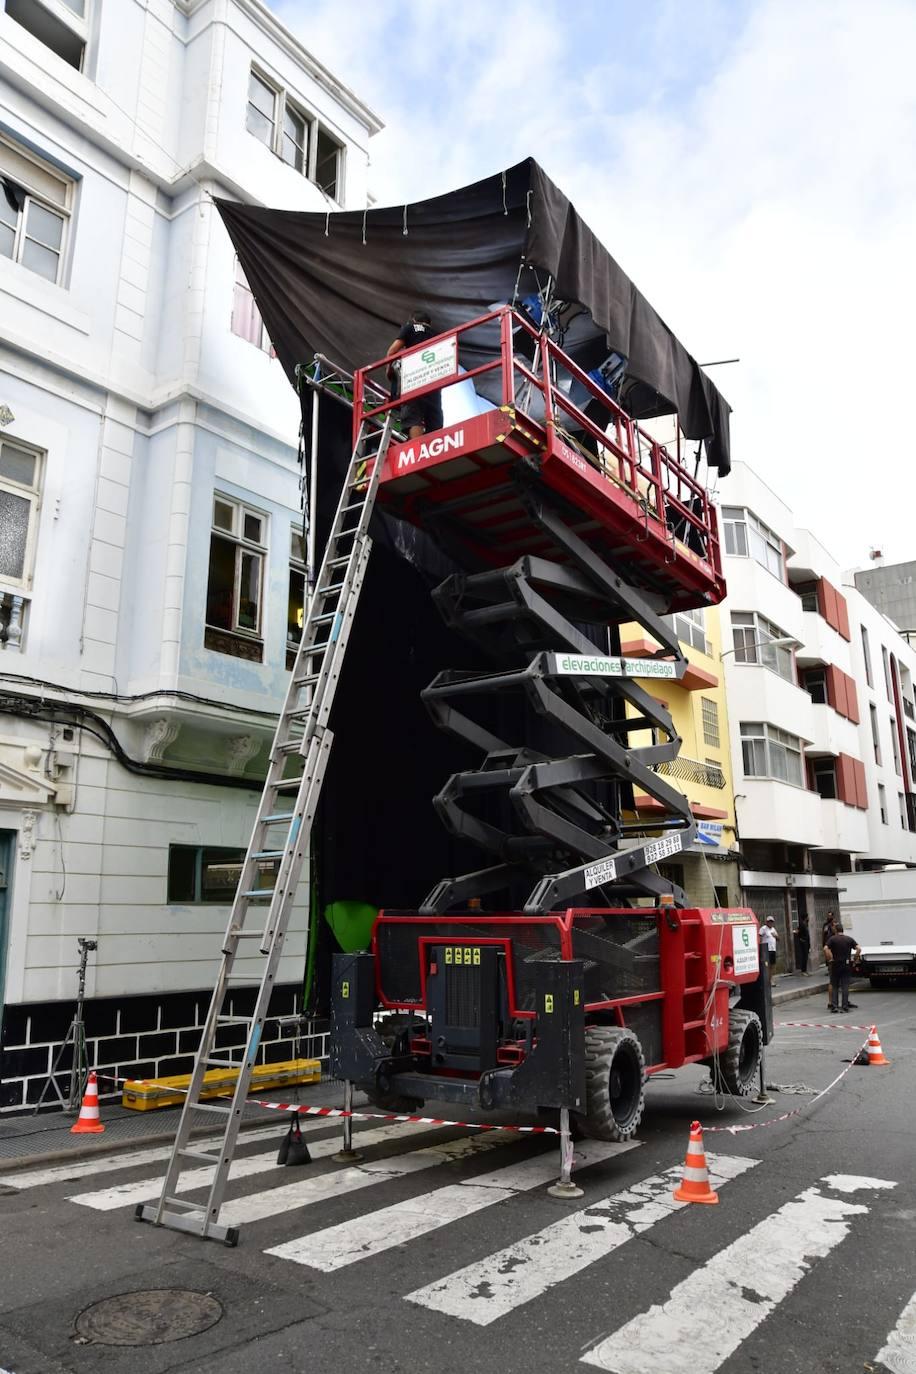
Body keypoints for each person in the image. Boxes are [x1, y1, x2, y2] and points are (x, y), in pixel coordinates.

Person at [386, 309, 444, 440]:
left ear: (413, 320)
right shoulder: (438, 335)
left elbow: (392, 351)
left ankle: (416, 448)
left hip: (414, 376)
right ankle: (433, 450)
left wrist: (388, 369)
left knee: (413, 414)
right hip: (434, 378)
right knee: (433, 417)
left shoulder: (410, 327)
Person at [824, 922, 861, 1013]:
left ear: (836, 930)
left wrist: (830, 958)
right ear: (842, 930)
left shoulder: (832, 939)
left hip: (836, 964)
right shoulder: (849, 939)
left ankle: (835, 1006)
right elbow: (859, 948)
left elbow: (825, 949)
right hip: (846, 964)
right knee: (845, 986)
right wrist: (855, 958)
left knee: (835, 985)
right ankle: (845, 1006)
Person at [821, 911, 837, 1009]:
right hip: (829, 948)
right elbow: (823, 934)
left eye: (831, 915)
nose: (829, 917)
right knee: (833, 980)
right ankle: (831, 1002)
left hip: (835, 950)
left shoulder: (834, 924)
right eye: (828, 915)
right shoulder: (826, 925)